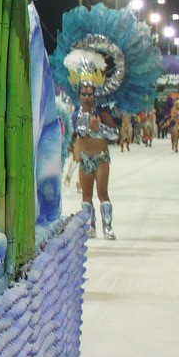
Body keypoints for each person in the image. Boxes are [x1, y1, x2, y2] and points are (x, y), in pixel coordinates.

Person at [68, 78, 117, 238]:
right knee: (86, 195)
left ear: (95, 95)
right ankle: (90, 226)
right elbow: (74, 136)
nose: (87, 97)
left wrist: (99, 127)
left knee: (102, 192)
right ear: (79, 95)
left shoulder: (101, 112)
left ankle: (107, 227)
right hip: (85, 159)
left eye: (90, 94)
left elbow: (115, 135)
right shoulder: (75, 114)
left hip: (101, 157)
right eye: (83, 94)